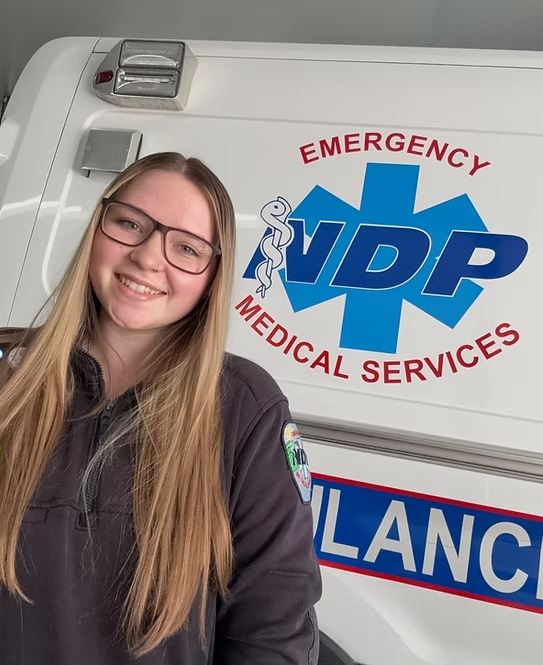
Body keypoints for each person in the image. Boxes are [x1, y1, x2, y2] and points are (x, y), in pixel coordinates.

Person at [0, 152, 321, 664]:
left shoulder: (244, 408)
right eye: (130, 223)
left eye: (187, 248)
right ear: (97, 229)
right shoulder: (10, 383)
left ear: (212, 277)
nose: (149, 257)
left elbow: (272, 630)